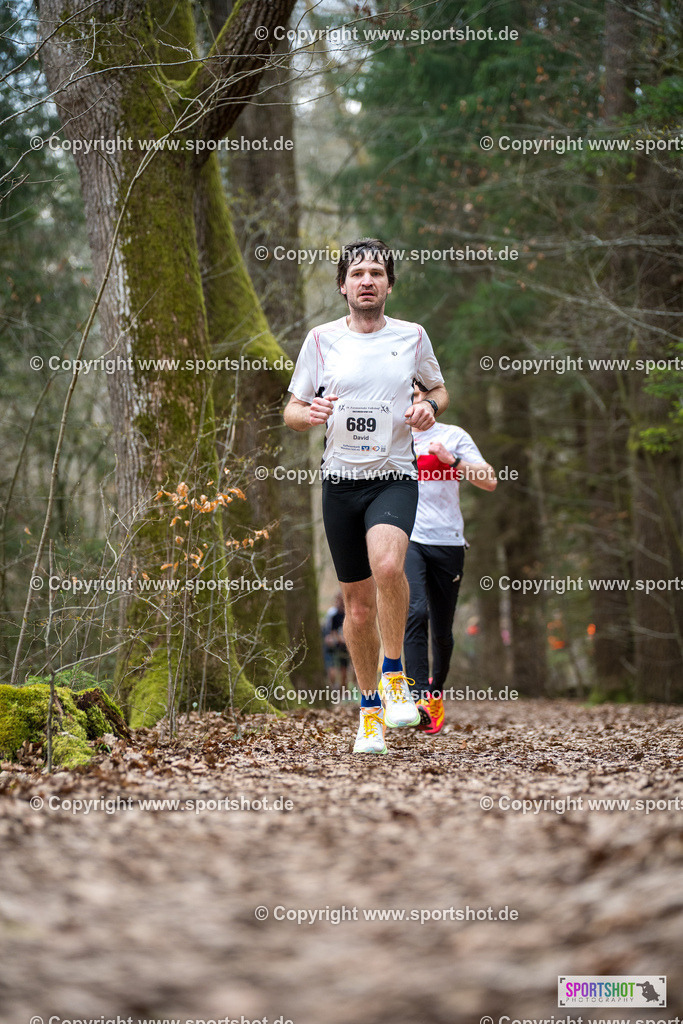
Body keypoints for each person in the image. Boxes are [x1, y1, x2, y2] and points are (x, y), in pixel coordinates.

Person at [284, 238, 448, 753]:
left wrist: (430, 409)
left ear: (389, 284)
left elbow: (438, 390)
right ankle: (370, 711)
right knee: (356, 610)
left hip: (394, 475)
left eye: (377, 272)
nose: (368, 280)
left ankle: (397, 675)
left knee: (389, 567)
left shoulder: (412, 337)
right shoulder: (320, 340)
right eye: (358, 274)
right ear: (343, 285)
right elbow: (291, 409)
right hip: (340, 484)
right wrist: (307, 414)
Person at [405, 420, 497, 734]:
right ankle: (417, 698)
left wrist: (452, 461)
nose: (413, 400)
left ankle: (435, 691)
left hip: (447, 541)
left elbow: (490, 481)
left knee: (442, 629)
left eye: (420, 392)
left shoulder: (453, 435)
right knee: (415, 611)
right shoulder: (392, 432)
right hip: (409, 538)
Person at [323, 591, 350, 689]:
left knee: (345, 671)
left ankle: (344, 689)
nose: (340, 603)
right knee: (333, 670)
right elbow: (330, 631)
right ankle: (334, 687)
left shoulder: (349, 614)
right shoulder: (333, 615)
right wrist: (338, 638)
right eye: (338, 600)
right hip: (334, 645)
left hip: (344, 646)